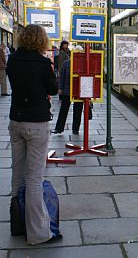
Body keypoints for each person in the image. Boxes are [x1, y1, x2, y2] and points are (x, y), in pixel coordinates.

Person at [6, 24, 62, 245]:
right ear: (41, 41)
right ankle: (38, 233)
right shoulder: (42, 63)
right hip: (36, 123)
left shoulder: (13, 60)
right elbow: (51, 89)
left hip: (16, 121)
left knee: (17, 174)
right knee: (34, 178)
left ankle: (18, 223)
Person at [52, 46, 84, 135]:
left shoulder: (83, 63)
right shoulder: (66, 63)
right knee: (64, 109)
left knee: (77, 110)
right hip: (67, 90)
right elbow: (61, 77)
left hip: (79, 91)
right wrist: (60, 88)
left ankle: (75, 129)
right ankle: (59, 128)